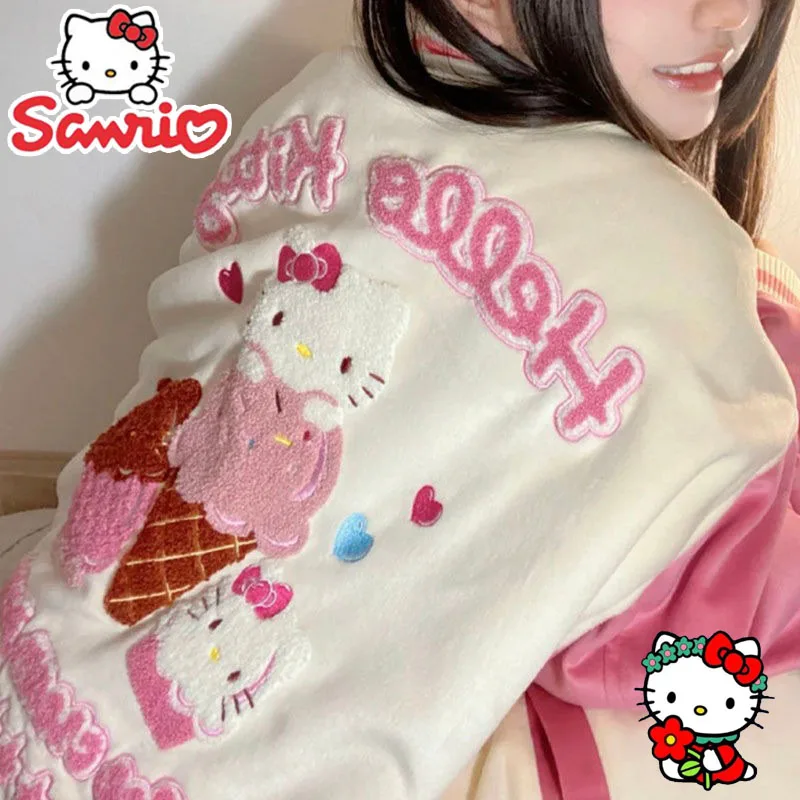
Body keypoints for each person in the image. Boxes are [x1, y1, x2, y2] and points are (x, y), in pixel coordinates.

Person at [1, 1, 798, 798]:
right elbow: (677, 636)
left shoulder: (327, 97)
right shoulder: (679, 269)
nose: (731, 12)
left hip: (32, 671)